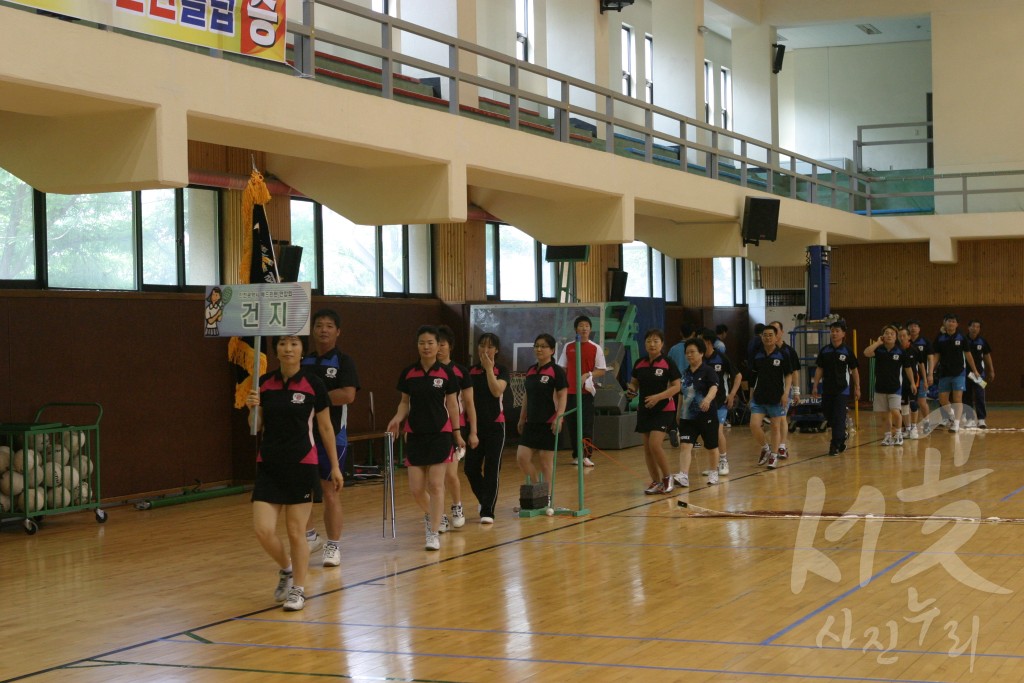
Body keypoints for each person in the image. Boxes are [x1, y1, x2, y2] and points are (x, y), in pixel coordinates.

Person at [246, 334, 344, 612]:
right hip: (269, 464)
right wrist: (253, 407)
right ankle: (286, 570)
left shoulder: (313, 384)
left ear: (302, 350)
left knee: (295, 531)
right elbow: (255, 424)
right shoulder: (264, 383)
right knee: (263, 530)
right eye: (282, 344)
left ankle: (298, 590)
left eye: (293, 344)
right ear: (275, 350)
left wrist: (334, 466)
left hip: (302, 464)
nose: (287, 349)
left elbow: (325, 428)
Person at [386, 326, 465, 551]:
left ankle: (432, 532)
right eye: (422, 342)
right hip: (416, 434)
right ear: (417, 345)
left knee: (436, 485)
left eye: (431, 342)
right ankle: (436, 516)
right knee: (416, 488)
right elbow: (404, 402)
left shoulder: (446, 373)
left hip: (440, 434)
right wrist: (397, 419)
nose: (427, 346)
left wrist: (457, 433)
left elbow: (452, 404)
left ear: (438, 345)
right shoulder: (409, 373)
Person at [300, 309, 360, 568]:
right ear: (312, 330)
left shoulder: (344, 361)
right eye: (319, 325)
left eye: (328, 326)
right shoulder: (303, 362)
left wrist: (314, 401)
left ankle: (333, 546)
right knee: (300, 491)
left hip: (332, 436)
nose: (323, 330)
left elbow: (347, 395)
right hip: (303, 437)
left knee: (329, 491)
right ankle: (310, 537)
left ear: (337, 332)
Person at [626, 329, 681, 494]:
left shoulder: (668, 362)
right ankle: (655, 482)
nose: (652, 344)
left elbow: (677, 386)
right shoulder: (639, 363)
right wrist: (631, 390)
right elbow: (634, 383)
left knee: (655, 444)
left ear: (662, 344)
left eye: (656, 341)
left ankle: (667, 477)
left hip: (664, 408)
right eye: (649, 341)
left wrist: (658, 397)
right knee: (647, 448)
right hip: (645, 409)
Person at [727, 325, 790, 469]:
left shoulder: (783, 354)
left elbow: (788, 375)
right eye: (765, 335)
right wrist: (750, 395)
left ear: (776, 337)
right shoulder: (757, 355)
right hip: (759, 396)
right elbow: (752, 376)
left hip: (776, 397)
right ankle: (765, 448)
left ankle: (774, 455)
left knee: (775, 426)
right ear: (761, 337)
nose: (767, 337)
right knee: (754, 425)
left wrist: (786, 393)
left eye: (770, 335)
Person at [436, 325, 477, 530]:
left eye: (442, 344)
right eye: (436, 344)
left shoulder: (460, 371)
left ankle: (457, 506)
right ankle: (439, 514)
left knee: (450, 473)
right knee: (435, 477)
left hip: (455, 427)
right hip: (433, 428)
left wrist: (473, 431)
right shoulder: (427, 370)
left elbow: (469, 403)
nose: (439, 348)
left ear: (449, 346)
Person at [467, 333, 509, 524]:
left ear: (497, 350)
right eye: (482, 345)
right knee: (470, 468)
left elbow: (496, 391)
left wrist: (489, 370)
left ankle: (487, 511)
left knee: (492, 469)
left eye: (490, 346)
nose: (485, 350)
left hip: (495, 427)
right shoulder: (470, 372)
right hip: (474, 427)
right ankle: (486, 500)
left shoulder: (502, 370)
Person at [517, 334, 568, 492]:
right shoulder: (531, 370)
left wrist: (558, 418)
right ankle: (537, 489)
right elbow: (526, 395)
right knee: (522, 457)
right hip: (531, 423)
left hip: (549, 422)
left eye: (543, 346)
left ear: (552, 350)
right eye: (537, 345)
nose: (539, 349)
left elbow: (562, 396)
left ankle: (547, 497)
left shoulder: (556, 371)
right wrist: (521, 418)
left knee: (546, 463)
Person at [556, 315, 606, 467]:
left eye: (587, 326)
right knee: (572, 424)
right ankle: (576, 455)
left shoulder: (595, 348)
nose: (584, 328)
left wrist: (588, 375)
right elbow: (562, 368)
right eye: (581, 326)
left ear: (590, 329)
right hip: (570, 393)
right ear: (576, 329)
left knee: (586, 424)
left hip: (586, 393)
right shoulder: (568, 347)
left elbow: (601, 370)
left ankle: (586, 455)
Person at [674, 338, 720, 485]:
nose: (689, 355)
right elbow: (682, 393)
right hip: (688, 417)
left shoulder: (708, 371)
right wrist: (678, 413)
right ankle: (683, 475)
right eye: (687, 353)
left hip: (707, 416)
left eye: (692, 352)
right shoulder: (684, 373)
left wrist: (707, 400)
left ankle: (714, 472)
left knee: (712, 446)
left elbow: (714, 387)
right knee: (685, 445)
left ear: (701, 353)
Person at [810, 321, 860, 455]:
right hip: (827, 389)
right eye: (832, 330)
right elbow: (819, 368)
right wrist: (815, 385)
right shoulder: (825, 350)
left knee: (838, 417)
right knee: (828, 414)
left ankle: (835, 445)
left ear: (843, 334)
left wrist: (857, 387)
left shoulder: (847, 351)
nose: (834, 333)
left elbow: (854, 370)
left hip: (842, 389)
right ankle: (842, 436)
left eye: (837, 331)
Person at [864, 325, 914, 446]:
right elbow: (866, 353)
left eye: (892, 333)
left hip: (895, 387)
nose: (889, 335)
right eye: (886, 333)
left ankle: (898, 434)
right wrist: (877, 342)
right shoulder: (879, 349)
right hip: (880, 387)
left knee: (895, 412)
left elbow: (908, 368)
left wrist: (912, 382)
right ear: (883, 336)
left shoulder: (900, 351)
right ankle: (887, 436)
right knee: (884, 414)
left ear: (895, 336)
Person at [928, 314, 979, 433]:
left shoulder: (961, 337)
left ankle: (956, 423)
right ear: (944, 323)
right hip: (944, 372)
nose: (951, 323)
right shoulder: (940, 338)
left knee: (957, 399)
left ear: (957, 324)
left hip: (959, 372)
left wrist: (975, 370)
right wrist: (930, 371)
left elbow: (968, 354)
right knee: (942, 400)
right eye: (949, 321)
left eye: (953, 321)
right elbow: (936, 355)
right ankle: (951, 415)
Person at [701, 328, 734, 476]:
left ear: (707, 342)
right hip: (703, 403)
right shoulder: (699, 359)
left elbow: (737, 375)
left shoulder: (721, 357)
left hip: (720, 401)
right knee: (707, 433)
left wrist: (732, 394)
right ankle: (713, 465)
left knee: (717, 430)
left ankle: (723, 460)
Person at [769, 320, 802, 460]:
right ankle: (775, 446)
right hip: (769, 391)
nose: (774, 334)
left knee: (781, 418)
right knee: (774, 421)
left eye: (777, 330)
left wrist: (796, 392)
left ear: (781, 332)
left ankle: (781, 446)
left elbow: (794, 372)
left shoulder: (789, 351)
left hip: (784, 391)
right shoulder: (764, 351)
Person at [964, 320, 994, 428]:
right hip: (965, 373)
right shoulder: (964, 340)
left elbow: (987, 356)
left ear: (979, 329)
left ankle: (981, 419)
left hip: (979, 374)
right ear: (968, 327)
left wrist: (991, 370)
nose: (975, 328)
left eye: (977, 327)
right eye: (973, 326)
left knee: (980, 395)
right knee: (966, 396)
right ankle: (970, 419)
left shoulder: (982, 341)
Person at [897, 326, 923, 439]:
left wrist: (925, 380)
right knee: (903, 405)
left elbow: (921, 364)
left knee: (913, 404)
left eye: (904, 336)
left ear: (909, 337)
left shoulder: (914, 350)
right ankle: (907, 428)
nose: (902, 338)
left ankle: (914, 427)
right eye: (900, 336)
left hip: (913, 381)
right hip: (900, 381)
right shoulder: (896, 350)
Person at [906, 320, 933, 425]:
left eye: (916, 326)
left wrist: (929, 375)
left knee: (922, 402)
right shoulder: (904, 343)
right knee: (908, 404)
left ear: (919, 329)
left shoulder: (925, 342)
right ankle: (910, 426)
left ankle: (926, 422)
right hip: (907, 378)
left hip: (921, 378)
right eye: (911, 326)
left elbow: (930, 359)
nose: (913, 328)